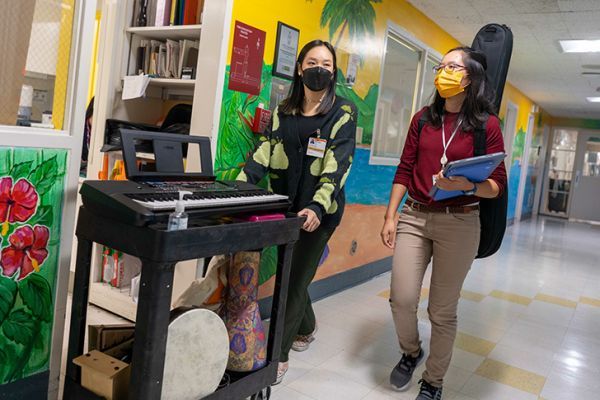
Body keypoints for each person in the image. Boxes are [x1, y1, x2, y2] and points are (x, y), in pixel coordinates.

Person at [380, 47, 507, 400]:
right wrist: (391, 215)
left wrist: (465, 185)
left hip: (461, 222)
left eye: (452, 67)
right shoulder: (424, 118)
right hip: (415, 216)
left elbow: (496, 185)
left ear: (469, 78)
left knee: (442, 310)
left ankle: (433, 382)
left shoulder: (486, 125)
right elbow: (404, 168)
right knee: (402, 299)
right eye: (441, 66)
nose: (443, 72)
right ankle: (411, 351)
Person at [237, 39, 357, 384]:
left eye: (327, 64)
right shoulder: (284, 111)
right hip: (285, 206)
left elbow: (339, 163)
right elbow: (265, 149)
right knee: (295, 273)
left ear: (333, 73)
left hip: (321, 210)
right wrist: (242, 186)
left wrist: (318, 205)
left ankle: (279, 355)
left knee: (291, 280)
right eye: (312, 62)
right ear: (300, 68)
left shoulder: (342, 112)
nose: (319, 68)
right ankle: (307, 326)